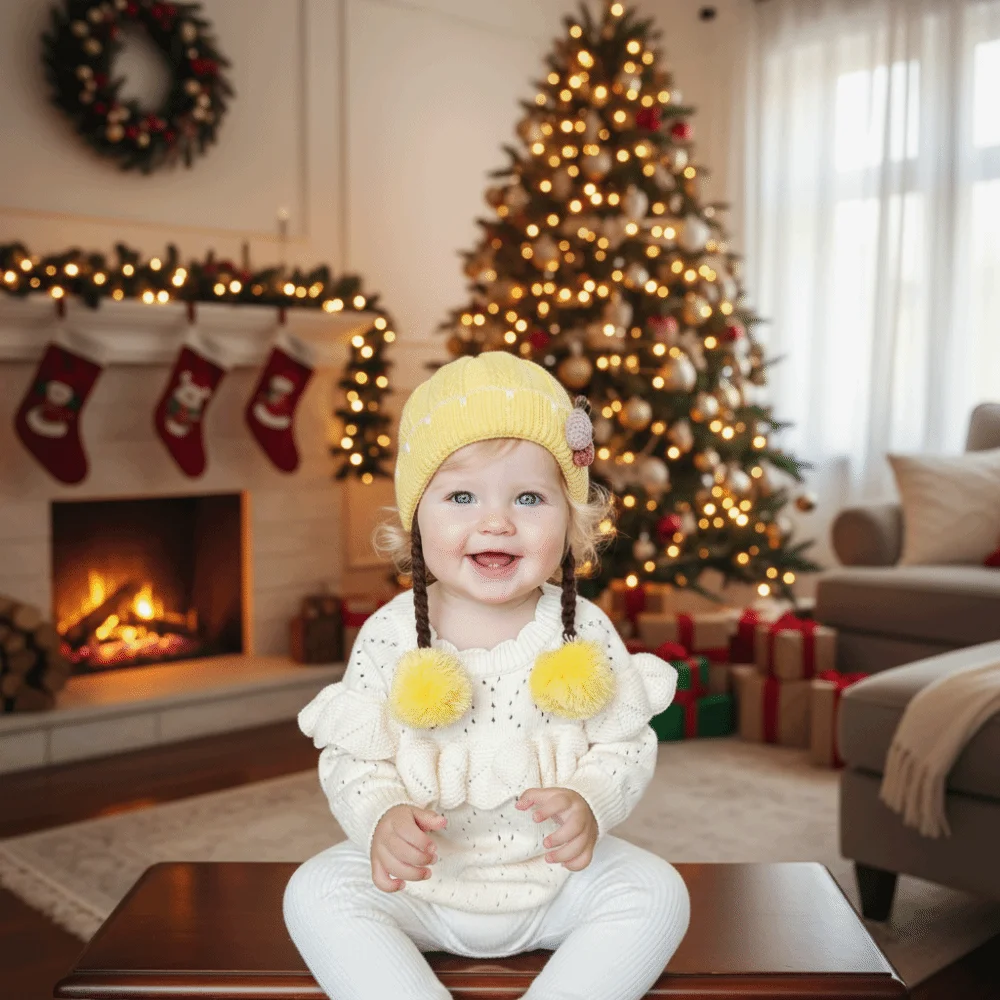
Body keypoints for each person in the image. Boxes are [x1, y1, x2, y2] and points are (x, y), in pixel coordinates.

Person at [283, 352, 690, 1000]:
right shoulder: (391, 635)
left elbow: (623, 744)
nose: (496, 521)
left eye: (529, 496)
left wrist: (590, 801)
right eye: (462, 496)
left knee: (658, 893)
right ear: (418, 515)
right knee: (317, 891)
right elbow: (354, 758)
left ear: (571, 519)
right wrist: (382, 815)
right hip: (418, 886)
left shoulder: (581, 629)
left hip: (557, 877)